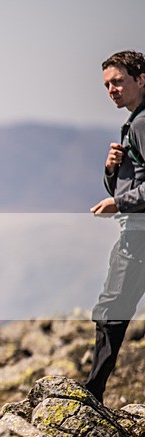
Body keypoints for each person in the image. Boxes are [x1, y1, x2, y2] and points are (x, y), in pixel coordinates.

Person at [85, 50, 145, 403]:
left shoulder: (141, 123)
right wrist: (113, 170)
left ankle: (93, 393)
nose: (112, 90)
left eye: (119, 81)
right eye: (107, 85)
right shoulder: (135, 121)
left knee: (111, 312)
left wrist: (119, 203)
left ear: (141, 78)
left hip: (137, 237)